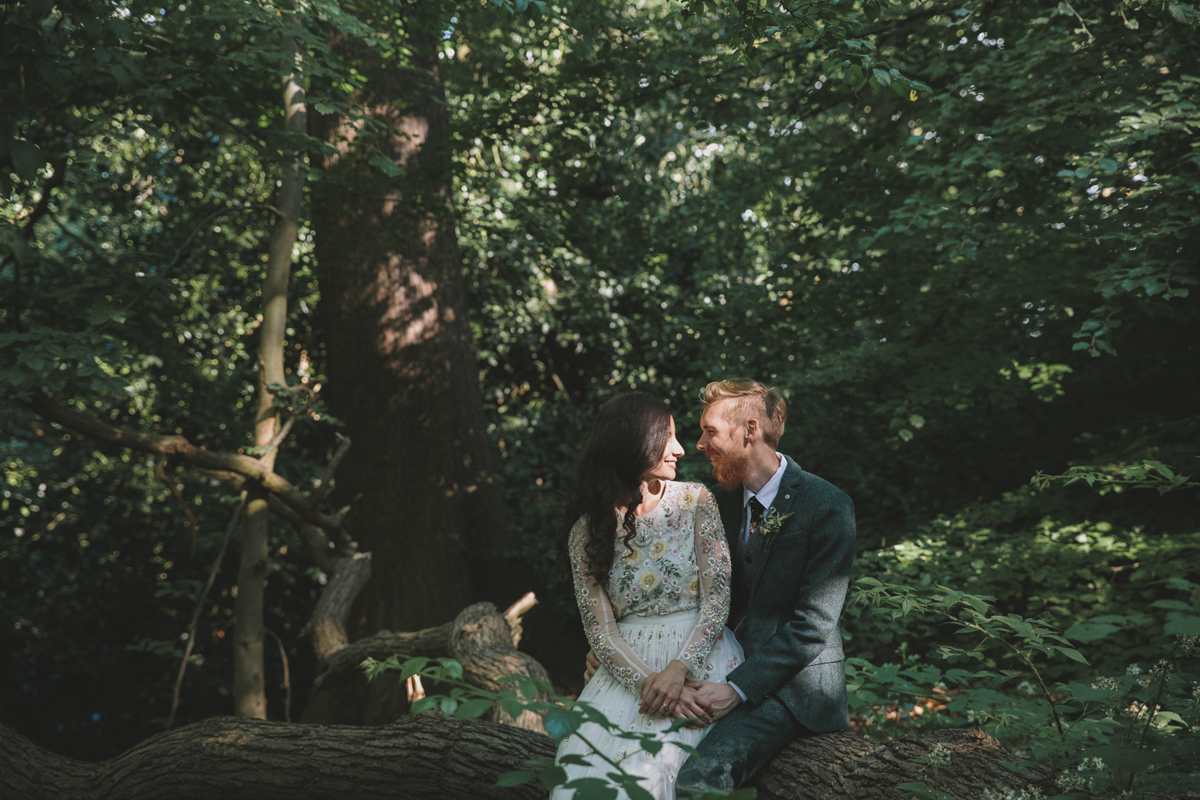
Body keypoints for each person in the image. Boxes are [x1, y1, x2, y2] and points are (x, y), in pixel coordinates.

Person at [584, 379, 856, 796]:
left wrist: (736, 688)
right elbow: (687, 593)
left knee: (696, 779)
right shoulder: (714, 501)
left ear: (750, 430)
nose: (697, 444)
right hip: (713, 665)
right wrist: (609, 654)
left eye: (709, 431)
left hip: (792, 688)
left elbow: (814, 626)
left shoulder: (826, 505)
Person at [553, 392, 744, 800]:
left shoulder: (696, 501)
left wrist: (678, 672)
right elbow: (599, 629)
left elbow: (717, 599)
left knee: (666, 774)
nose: (679, 449)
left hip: (701, 657)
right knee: (585, 779)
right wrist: (649, 686)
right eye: (668, 437)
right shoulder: (586, 530)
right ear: (632, 444)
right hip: (627, 669)